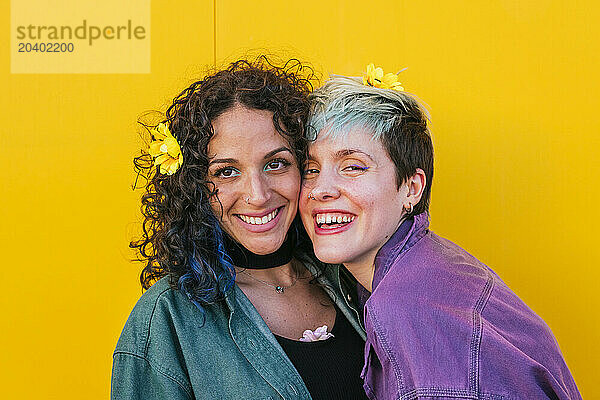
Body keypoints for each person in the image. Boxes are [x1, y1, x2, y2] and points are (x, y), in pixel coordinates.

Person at [299, 67, 582, 399]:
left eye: (353, 166)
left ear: (411, 188)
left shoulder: (409, 307)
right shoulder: (424, 265)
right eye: (311, 169)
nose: (321, 189)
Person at [111, 57, 369, 400]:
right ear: (195, 186)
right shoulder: (167, 320)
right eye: (226, 171)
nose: (258, 195)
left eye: (276, 164)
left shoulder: (353, 280)